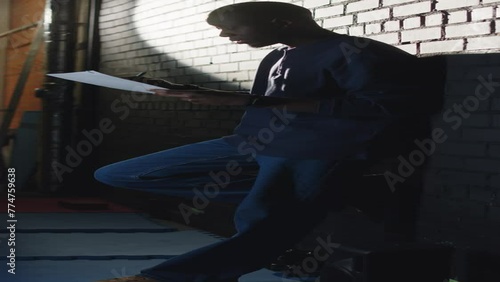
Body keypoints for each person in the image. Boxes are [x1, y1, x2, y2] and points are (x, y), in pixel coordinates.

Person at [95, 2, 441, 281]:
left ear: (283, 22)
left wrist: (246, 102)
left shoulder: (357, 52)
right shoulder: (276, 56)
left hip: (317, 148)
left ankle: (169, 278)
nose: (225, 35)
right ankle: (341, 192)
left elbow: (387, 106)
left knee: (262, 222)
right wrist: (199, 93)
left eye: (232, 27)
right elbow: (270, 103)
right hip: (251, 143)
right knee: (119, 174)